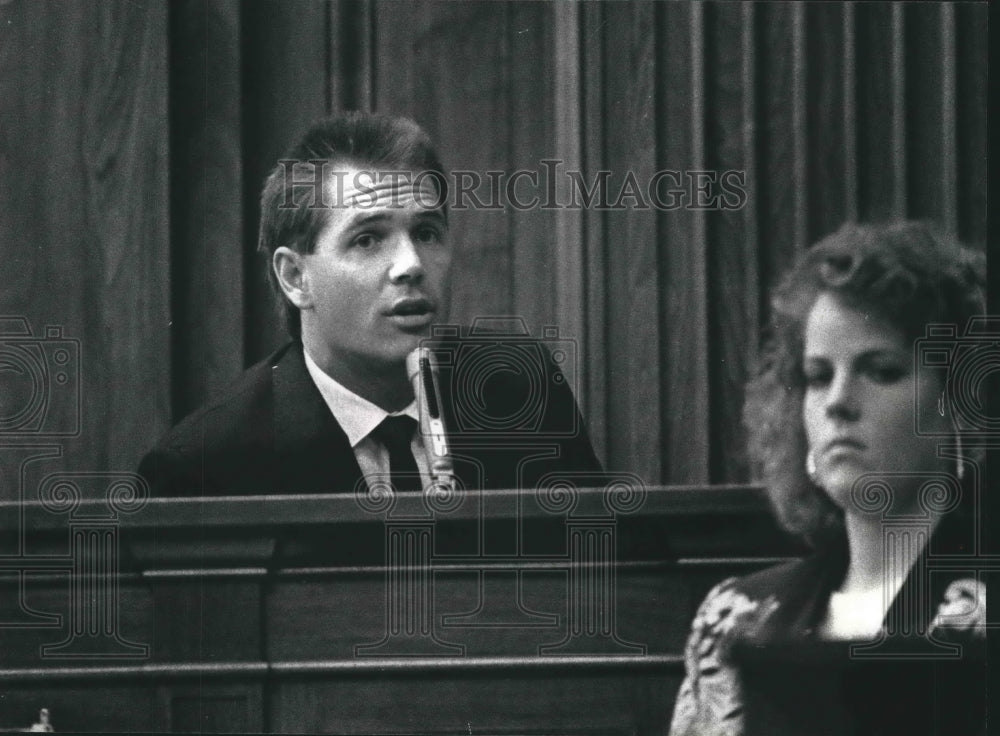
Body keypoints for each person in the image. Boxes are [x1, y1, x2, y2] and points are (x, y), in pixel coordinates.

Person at [138, 112, 601, 498]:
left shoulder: (519, 388)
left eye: (426, 232)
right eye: (367, 239)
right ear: (296, 277)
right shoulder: (206, 464)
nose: (411, 265)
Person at [669, 221, 987, 736]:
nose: (838, 401)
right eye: (818, 377)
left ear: (957, 406)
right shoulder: (735, 618)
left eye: (880, 370)